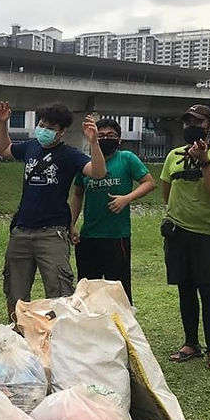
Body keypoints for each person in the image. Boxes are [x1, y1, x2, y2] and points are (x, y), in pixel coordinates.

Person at [0, 101, 105, 318]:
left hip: (52, 233)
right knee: (15, 291)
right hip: (22, 231)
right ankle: (19, 335)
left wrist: (94, 143)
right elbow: (5, 150)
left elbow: (98, 172)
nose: (43, 130)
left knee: (59, 292)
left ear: (62, 132)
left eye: (50, 127)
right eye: (41, 124)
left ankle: (59, 338)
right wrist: (2, 124)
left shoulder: (69, 155)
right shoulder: (30, 147)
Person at [160, 104, 210, 372]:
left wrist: (204, 161)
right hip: (178, 233)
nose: (191, 126)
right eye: (187, 121)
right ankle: (191, 343)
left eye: (198, 121)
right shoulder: (173, 156)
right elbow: (167, 194)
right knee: (185, 289)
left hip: (208, 234)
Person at [69, 118, 156, 303]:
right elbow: (77, 195)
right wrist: (72, 224)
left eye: (111, 135)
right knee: (87, 291)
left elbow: (149, 182)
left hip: (117, 237)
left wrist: (127, 198)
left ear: (119, 140)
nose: (105, 139)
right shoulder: (86, 163)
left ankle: (122, 328)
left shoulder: (127, 158)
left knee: (119, 291)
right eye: (101, 136)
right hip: (89, 236)